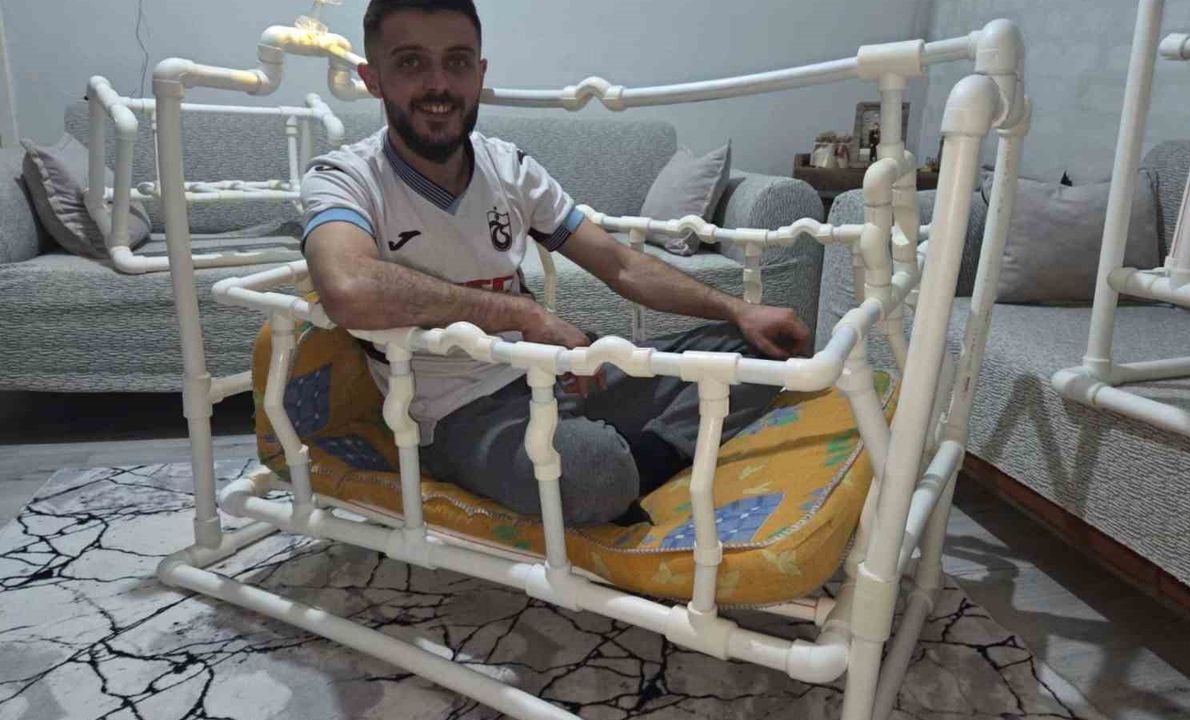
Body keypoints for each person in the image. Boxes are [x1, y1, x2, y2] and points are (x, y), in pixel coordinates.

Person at [301, 0, 812, 526]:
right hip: (458, 412)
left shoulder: (509, 167)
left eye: (457, 62)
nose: (439, 85)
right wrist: (524, 314)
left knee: (755, 350)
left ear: (479, 73)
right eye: (411, 62)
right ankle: (627, 462)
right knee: (593, 471)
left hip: (556, 374)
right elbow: (348, 287)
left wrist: (738, 310)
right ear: (373, 78)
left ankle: (637, 460)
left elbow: (619, 264)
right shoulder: (345, 178)